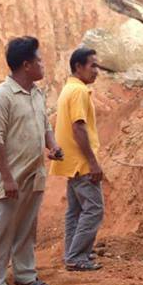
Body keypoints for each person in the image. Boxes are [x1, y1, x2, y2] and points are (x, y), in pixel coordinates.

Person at [0, 36, 63, 285]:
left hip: (34, 174)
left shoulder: (37, 93)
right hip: (11, 177)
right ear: (26, 65)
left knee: (27, 228)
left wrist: (53, 146)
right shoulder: (0, 97)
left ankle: (25, 274)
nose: (43, 64)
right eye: (39, 60)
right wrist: (6, 178)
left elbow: (45, 125)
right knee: (0, 228)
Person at [50, 47, 104, 272]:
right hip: (81, 163)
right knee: (94, 209)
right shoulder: (79, 92)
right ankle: (77, 256)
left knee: (74, 211)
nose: (96, 71)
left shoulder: (68, 89)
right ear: (78, 67)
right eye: (92, 65)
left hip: (70, 162)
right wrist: (92, 161)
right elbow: (78, 127)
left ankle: (71, 253)